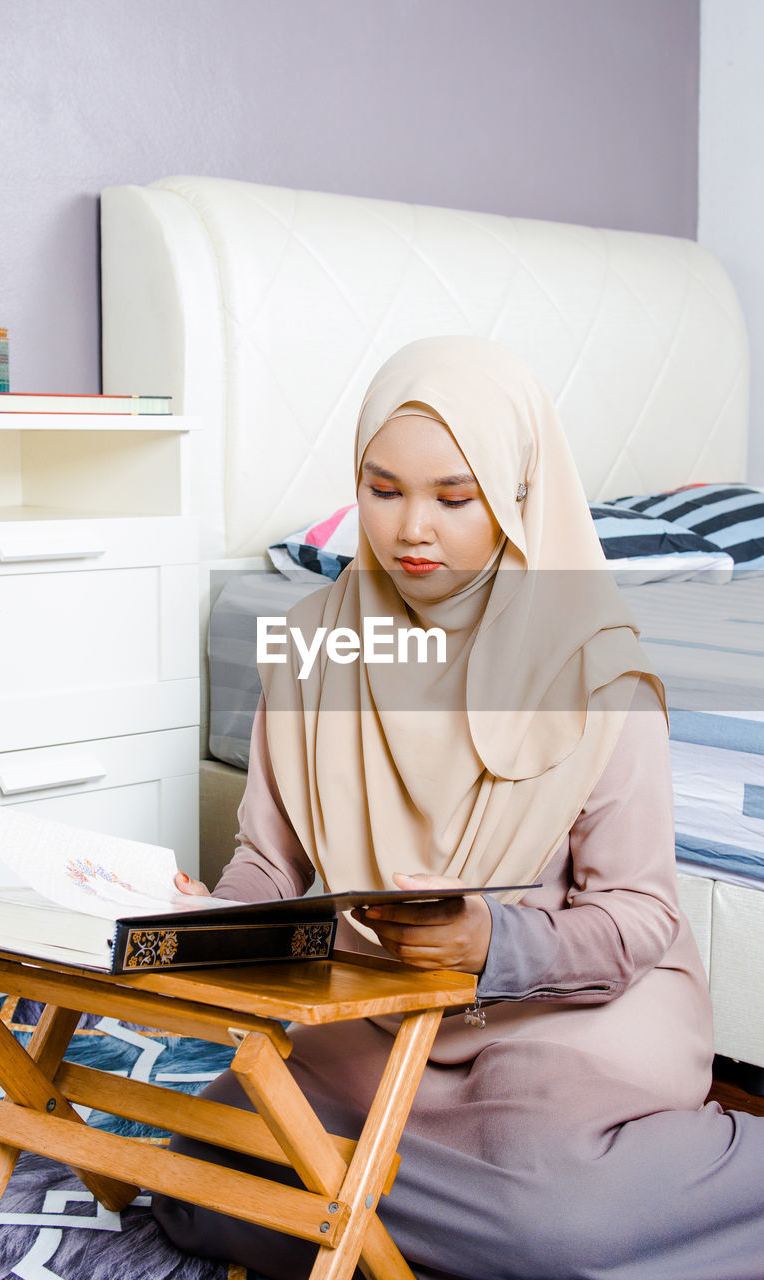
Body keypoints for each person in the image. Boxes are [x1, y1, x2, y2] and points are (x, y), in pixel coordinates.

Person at [153, 337, 764, 1280]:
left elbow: (640, 917)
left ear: (516, 498)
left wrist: (490, 944)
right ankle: (492, 1229)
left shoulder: (600, 669)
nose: (410, 531)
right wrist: (209, 921)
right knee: (196, 1178)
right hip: (371, 1010)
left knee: (543, 1217)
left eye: (454, 496)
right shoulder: (316, 642)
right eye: (382, 488)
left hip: (560, 1019)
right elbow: (270, 864)